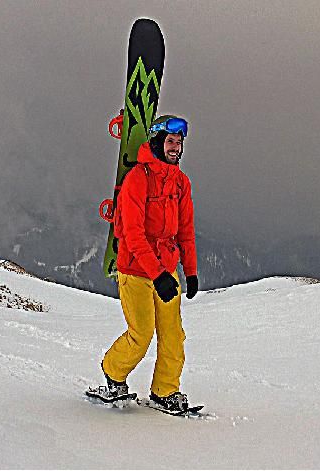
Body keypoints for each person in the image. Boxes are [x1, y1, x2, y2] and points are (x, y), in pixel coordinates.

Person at [100, 115, 199, 412]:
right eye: (170, 141)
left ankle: (165, 390)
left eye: (179, 142)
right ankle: (113, 372)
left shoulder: (180, 183)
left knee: (173, 335)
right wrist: (157, 275)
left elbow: (185, 230)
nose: (176, 147)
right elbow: (132, 234)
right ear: (157, 143)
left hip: (166, 270)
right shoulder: (138, 179)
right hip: (135, 270)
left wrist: (190, 271)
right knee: (141, 334)